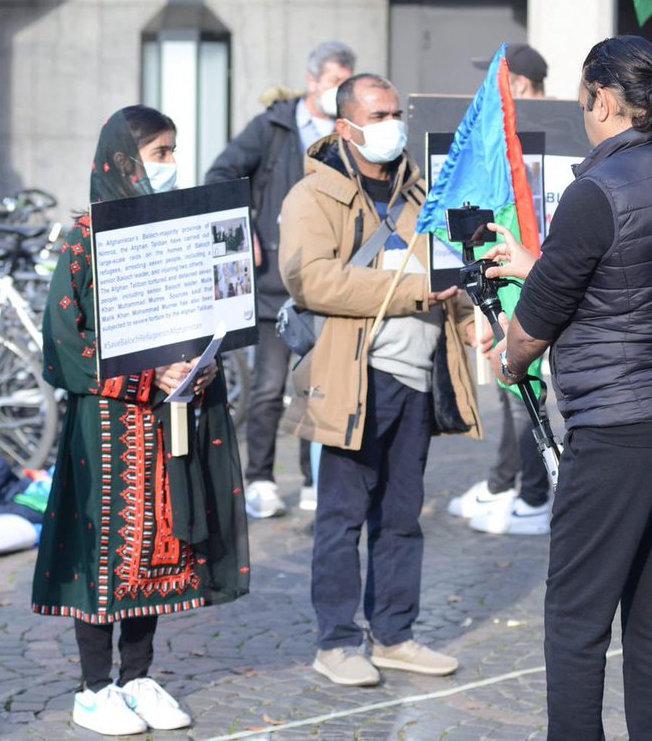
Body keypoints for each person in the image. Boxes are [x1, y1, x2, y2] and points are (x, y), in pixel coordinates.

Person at [482, 35, 652, 740]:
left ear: (604, 100)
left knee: (575, 618)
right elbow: (634, 285)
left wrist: (509, 356)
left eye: (584, 97)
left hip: (621, 429)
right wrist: (539, 262)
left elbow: (534, 329)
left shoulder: (596, 191)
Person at [33, 104, 250, 736]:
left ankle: (139, 675)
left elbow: (209, 312)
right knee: (106, 549)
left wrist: (205, 367)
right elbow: (63, 345)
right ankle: (94, 686)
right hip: (107, 427)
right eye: (160, 153)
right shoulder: (84, 239)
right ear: (124, 161)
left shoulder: (178, 233)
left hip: (173, 420)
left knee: (163, 544)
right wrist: (141, 377)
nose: (172, 165)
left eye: (174, 151)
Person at [279, 73, 482, 687]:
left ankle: (394, 633)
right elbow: (311, 281)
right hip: (354, 377)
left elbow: (450, 268)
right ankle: (336, 642)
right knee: (342, 515)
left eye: (396, 111)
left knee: (402, 515)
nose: (393, 123)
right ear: (345, 127)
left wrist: (474, 319)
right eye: (379, 114)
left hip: (418, 376)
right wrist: (416, 291)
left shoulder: (423, 192)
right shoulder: (312, 198)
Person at [205, 40, 356, 518]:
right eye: (334, 83)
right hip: (274, 279)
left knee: (319, 387)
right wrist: (242, 226)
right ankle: (260, 478)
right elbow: (221, 173)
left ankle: (315, 480)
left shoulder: (348, 131)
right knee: (270, 386)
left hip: (330, 276)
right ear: (313, 81)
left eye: (345, 84)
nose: (339, 92)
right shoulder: (273, 126)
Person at [450, 41, 554, 535]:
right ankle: (505, 483)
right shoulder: (505, 136)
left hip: (539, 280)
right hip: (514, 279)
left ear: (518, 86)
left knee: (524, 383)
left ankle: (533, 493)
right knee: (511, 383)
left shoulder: (537, 137)